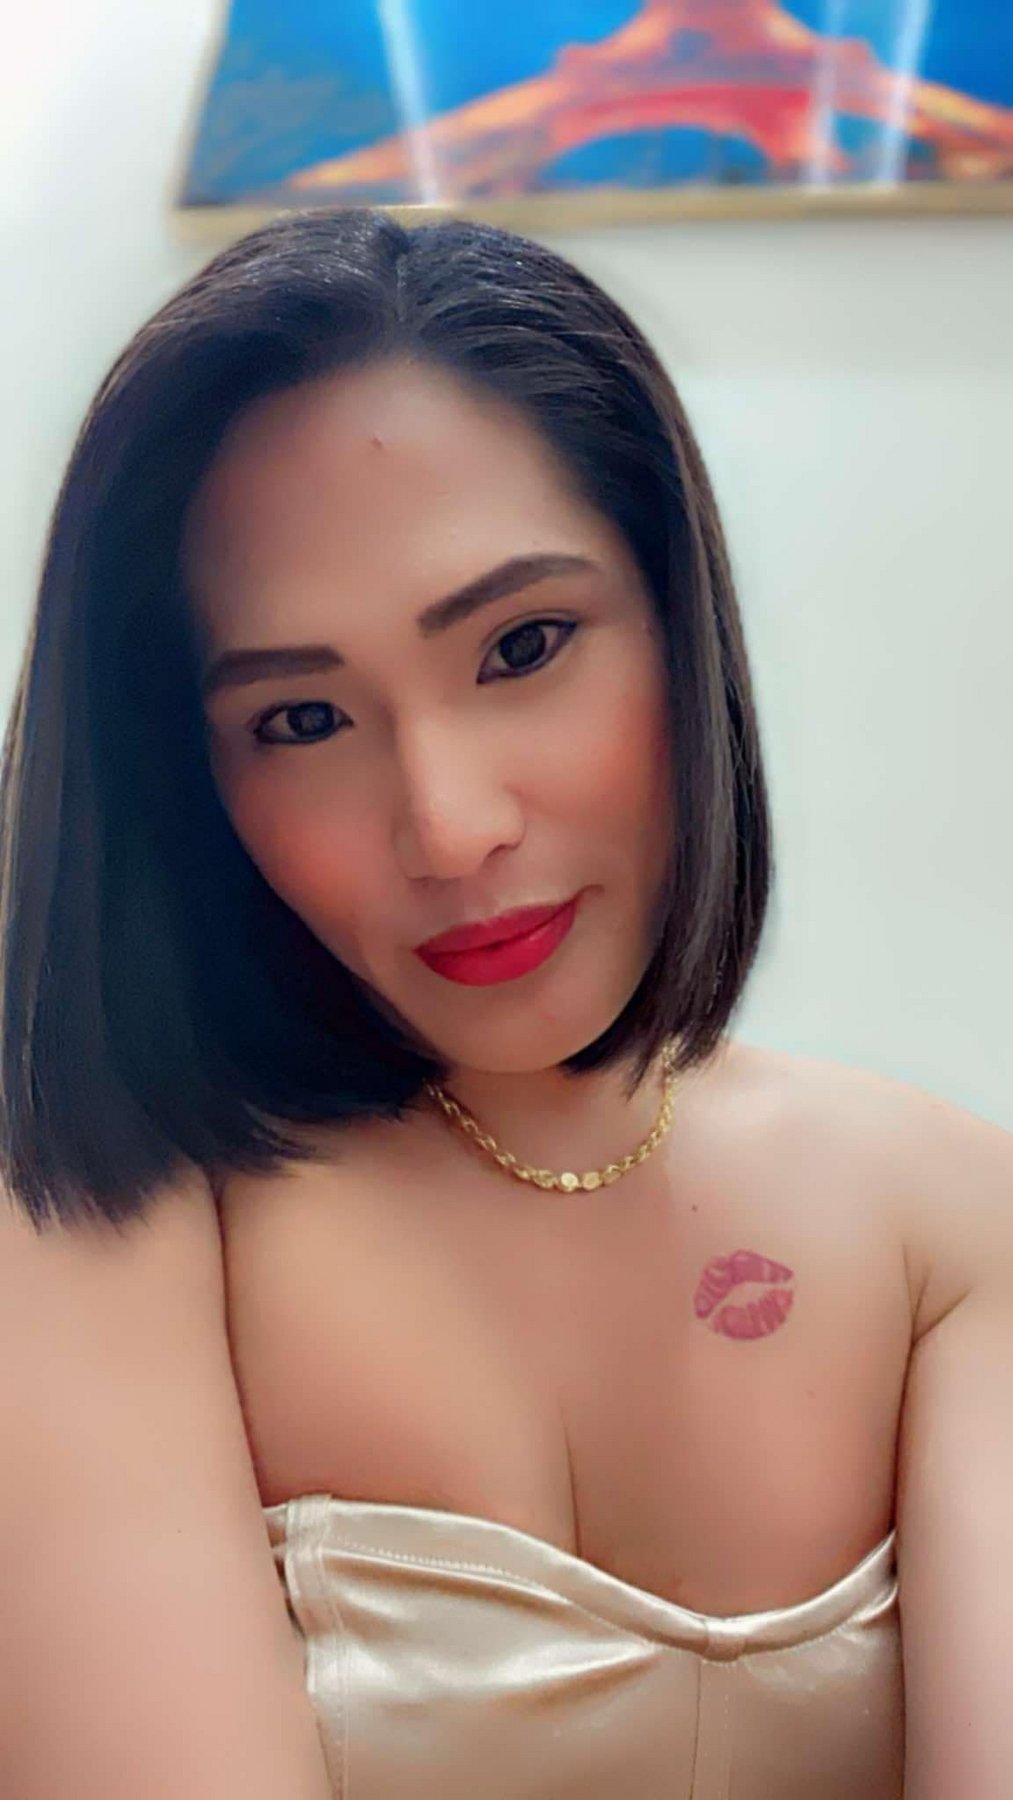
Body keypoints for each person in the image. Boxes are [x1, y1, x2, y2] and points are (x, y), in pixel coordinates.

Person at [0, 205, 1010, 1800]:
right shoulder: (99, 1216)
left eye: (521, 645)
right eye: (303, 719)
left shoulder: (950, 1227)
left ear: (678, 620)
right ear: (192, 779)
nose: (448, 825)